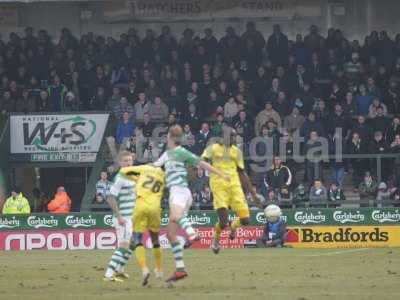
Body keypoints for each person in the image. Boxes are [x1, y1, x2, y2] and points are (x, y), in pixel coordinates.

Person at [153, 125, 229, 284]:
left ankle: (192, 232)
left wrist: (220, 173)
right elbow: (153, 167)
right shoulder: (167, 155)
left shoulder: (181, 152)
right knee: (170, 235)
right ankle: (180, 269)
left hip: (179, 192)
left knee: (176, 216)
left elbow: (202, 164)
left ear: (170, 137)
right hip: (179, 193)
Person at [201, 127, 259, 255]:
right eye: (232, 136)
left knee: (245, 220)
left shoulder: (237, 152)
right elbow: (202, 161)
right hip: (218, 186)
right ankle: (216, 239)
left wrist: (253, 194)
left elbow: (242, 172)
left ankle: (234, 226)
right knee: (223, 222)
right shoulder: (213, 148)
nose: (234, 139)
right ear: (223, 137)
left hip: (235, 186)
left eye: (235, 136)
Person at [119, 164, 165, 286]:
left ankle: (144, 269)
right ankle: (159, 270)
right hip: (155, 207)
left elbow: (124, 170)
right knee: (155, 239)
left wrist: (135, 178)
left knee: (137, 239)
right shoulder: (165, 176)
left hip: (140, 205)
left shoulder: (146, 168)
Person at [103, 151, 136, 282]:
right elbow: (110, 198)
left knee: (133, 244)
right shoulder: (120, 177)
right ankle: (108, 274)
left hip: (130, 217)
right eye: (125, 161)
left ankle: (120, 269)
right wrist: (119, 217)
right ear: (120, 163)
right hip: (123, 219)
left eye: (130, 160)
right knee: (123, 246)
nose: (128, 163)